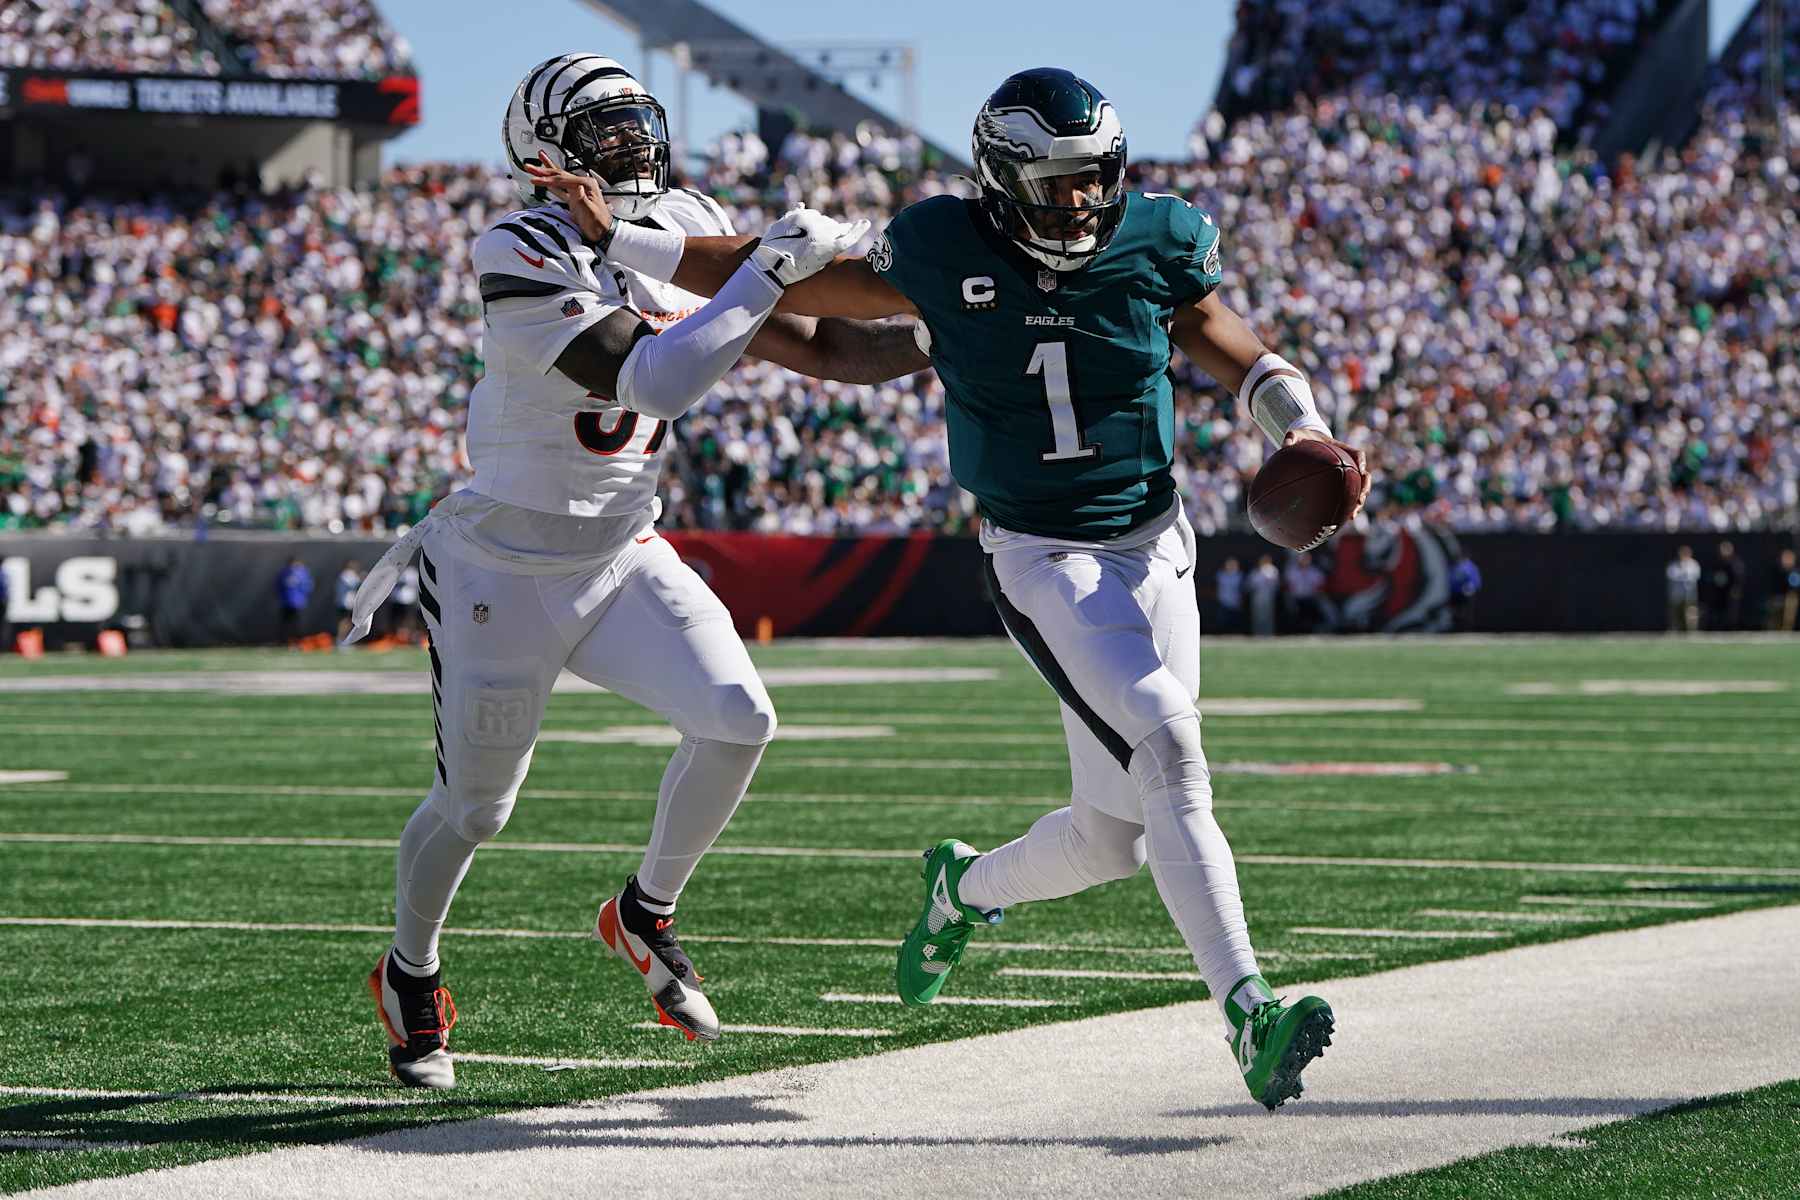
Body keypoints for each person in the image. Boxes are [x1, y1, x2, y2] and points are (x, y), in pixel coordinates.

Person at [540, 66, 1372, 1109]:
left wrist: (1295, 423)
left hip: (1157, 542)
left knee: (1111, 837)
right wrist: (619, 242)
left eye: (1095, 179)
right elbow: (781, 278)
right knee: (1170, 742)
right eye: (1059, 183)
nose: (1082, 202)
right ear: (1002, 179)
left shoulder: (1158, 234)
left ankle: (962, 890)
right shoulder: (942, 243)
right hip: (1044, 554)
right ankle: (1249, 1012)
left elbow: (1227, 340)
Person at [351, 53, 930, 1090]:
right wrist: (762, 268)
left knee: (740, 720)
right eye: (601, 131)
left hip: (621, 548)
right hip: (501, 564)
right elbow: (656, 377)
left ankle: (644, 911)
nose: (629, 147)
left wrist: (949, 335)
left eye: (635, 124)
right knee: (477, 810)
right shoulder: (518, 244)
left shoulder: (681, 218)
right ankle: (409, 972)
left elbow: (827, 348)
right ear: (543, 156)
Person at [1705, 541, 1745, 631]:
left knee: (1732, 612)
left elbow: (1739, 578)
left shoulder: (1736, 563)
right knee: (1718, 611)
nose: (1724, 552)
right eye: (1722, 549)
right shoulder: (1717, 562)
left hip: (1731, 592)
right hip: (1719, 592)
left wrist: (1735, 589)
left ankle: (1732, 628)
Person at [277, 558, 313, 646]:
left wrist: (302, 597)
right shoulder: (284, 573)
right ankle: (287, 641)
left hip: (297, 602)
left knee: (296, 623)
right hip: (287, 602)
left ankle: (297, 642)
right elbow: (278, 586)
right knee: (287, 623)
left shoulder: (302, 573)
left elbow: (308, 586)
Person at [1666, 545, 1700, 633]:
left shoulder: (1694, 564)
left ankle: (1692, 631)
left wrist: (1683, 575)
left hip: (1690, 595)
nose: (1684, 555)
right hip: (1677, 595)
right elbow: (1672, 576)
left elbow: (1694, 576)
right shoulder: (1673, 564)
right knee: (1676, 613)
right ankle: (1675, 630)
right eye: (1682, 553)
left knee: (1691, 613)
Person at [1247, 554, 1281, 638]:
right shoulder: (1255, 571)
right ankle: (1258, 633)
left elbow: (1275, 584)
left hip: (1268, 595)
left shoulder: (1273, 570)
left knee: (1268, 615)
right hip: (1257, 595)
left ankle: (1268, 633)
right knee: (1258, 615)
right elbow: (1250, 584)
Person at [1768, 549, 1799, 633]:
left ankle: (1786, 631)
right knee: (1775, 617)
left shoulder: (1795, 571)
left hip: (1790, 597)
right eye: (1786, 558)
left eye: (1790, 558)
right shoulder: (1777, 570)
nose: (1788, 561)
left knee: (1790, 605)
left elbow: (1794, 586)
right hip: (1777, 597)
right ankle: (1773, 632)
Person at [334, 560, 363, 644]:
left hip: (350, 603)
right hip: (344, 603)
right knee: (344, 622)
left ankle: (346, 641)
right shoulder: (346, 574)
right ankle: (340, 641)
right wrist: (362, 578)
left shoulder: (352, 574)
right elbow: (354, 585)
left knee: (349, 622)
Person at [1213, 556, 1244, 634]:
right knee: (1222, 621)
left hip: (1235, 602)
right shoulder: (1220, 575)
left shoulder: (1239, 575)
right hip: (1223, 601)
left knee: (1235, 621)